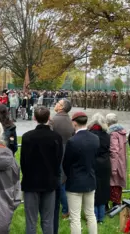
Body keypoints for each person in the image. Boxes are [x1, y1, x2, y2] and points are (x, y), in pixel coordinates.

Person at [21, 106, 63, 234]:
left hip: (31, 182)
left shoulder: (27, 137)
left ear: (34, 118)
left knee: (31, 220)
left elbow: (24, 161)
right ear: (49, 118)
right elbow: (58, 159)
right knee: (47, 219)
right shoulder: (56, 137)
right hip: (49, 181)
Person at [63, 112, 99, 234]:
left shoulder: (72, 141)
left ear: (74, 123)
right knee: (90, 214)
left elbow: (66, 163)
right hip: (90, 179)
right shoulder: (95, 138)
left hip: (75, 182)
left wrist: (70, 175)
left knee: (75, 217)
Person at [49, 98, 74, 232]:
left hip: (56, 153)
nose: (56, 104)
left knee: (60, 182)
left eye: (58, 103)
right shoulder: (70, 121)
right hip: (68, 153)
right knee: (64, 181)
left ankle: (65, 208)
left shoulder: (54, 120)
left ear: (62, 107)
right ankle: (66, 208)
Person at [87, 113, 111, 224]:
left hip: (92, 163)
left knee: (92, 190)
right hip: (105, 165)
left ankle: (94, 215)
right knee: (103, 189)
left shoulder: (89, 134)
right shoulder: (106, 135)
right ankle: (101, 216)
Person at [106, 113, 127, 208]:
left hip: (115, 162)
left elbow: (114, 150)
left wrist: (113, 167)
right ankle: (117, 203)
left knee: (113, 182)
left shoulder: (113, 133)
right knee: (118, 183)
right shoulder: (121, 132)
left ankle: (113, 204)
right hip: (122, 161)